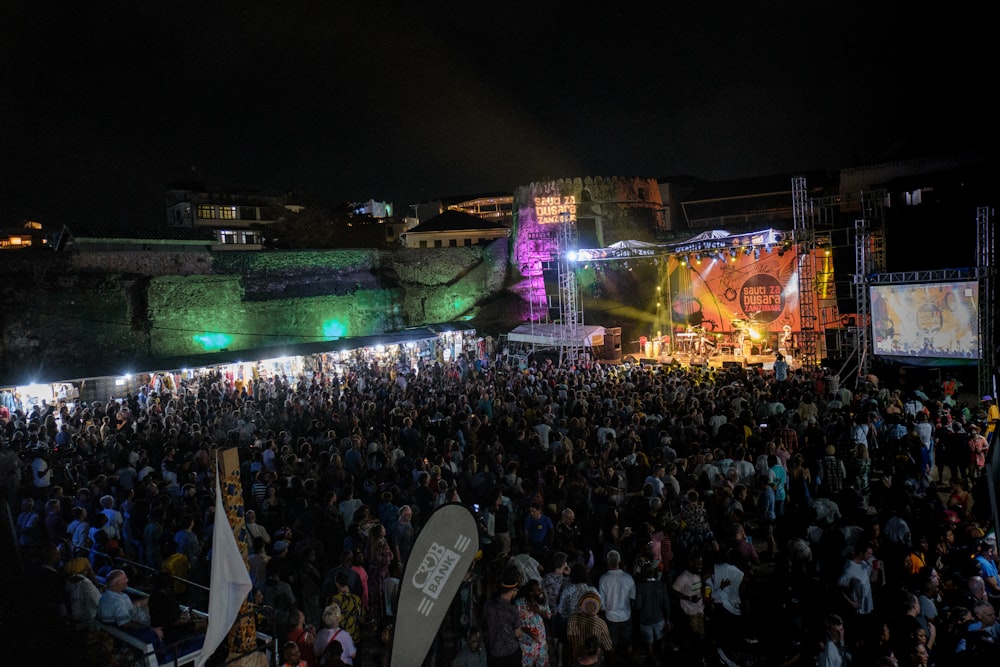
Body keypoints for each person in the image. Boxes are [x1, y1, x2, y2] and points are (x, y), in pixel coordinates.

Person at [597, 549, 635, 666]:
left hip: (610, 618)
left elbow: (601, 604)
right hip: (626, 616)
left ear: (608, 562)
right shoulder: (628, 578)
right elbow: (633, 597)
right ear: (620, 561)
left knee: (611, 646)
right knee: (628, 644)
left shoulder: (603, 579)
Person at [483, 567, 524, 667]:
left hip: (494, 652)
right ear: (512, 590)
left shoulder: (488, 605)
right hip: (511, 653)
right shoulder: (512, 609)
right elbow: (518, 634)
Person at [634, 561, 670, 667]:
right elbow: (666, 604)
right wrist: (668, 619)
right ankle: (662, 658)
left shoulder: (640, 587)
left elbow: (638, 606)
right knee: (661, 639)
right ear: (654, 573)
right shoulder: (661, 585)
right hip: (659, 618)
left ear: (644, 574)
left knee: (649, 643)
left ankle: (651, 661)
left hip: (645, 620)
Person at [566, 592, 613, 665]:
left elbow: (569, 640)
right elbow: (608, 646)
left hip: (577, 657)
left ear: (581, 604)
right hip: (593, 660)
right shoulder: (600, 624)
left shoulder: (572, 619)